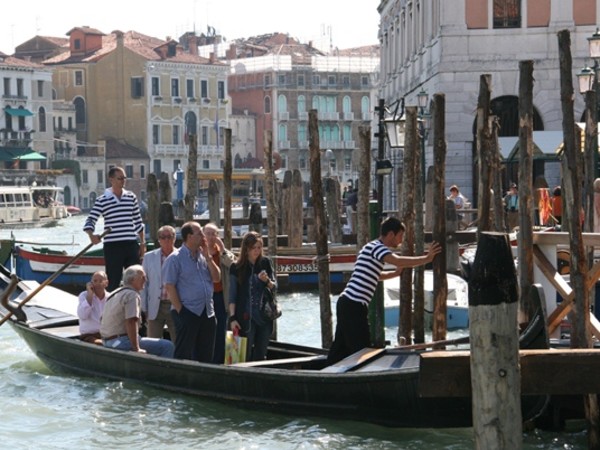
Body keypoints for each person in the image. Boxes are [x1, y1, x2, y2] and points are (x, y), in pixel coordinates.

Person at [327, 217, 442, 365]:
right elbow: (398, 261)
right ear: (390, 234)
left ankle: (326, 374)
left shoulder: (369, 247)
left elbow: (374, 275)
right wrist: (427, 258)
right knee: (362, 350)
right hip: (354, 305)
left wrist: (394, 274)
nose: (400, 241)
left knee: (340, 347)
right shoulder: (378, 248)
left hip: (347, 302)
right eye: (400, 236)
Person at [163, 221, 221, 362]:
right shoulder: (175, 258)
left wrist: (208, 258)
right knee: (184, 353)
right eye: (200, 233)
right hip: (188, 311)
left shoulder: (203, 257)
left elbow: (217, 278)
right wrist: (181, 311)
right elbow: (170, 286)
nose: (203, 236)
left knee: (206, 355)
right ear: (189, 237)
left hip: (207, 312)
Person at [83, 166, 146, 291]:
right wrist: (91, 236)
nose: (123, 181)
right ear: (111, 180)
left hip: (130, 244)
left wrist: (142, 243)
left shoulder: (131, 197)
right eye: (120, 178)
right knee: (113, 282)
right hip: (113, 246)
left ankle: (135, 307)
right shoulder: (102, 200)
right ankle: (113, 308)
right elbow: (90, 220)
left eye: (124, 178)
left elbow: (138, 221)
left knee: (136, 280)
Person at [100, 265, 174, 358]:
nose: (145, 280)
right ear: (132, 280)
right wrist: (136, 348)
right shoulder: (132, 295)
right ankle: (164, 372)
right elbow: (131, 322)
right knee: (167, 346)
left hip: (108, 341)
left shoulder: (114, 294)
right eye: (142, 277)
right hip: (122, 341)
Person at [228, 231, 277, 361]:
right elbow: (232, 295)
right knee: (243, 353)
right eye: (253, 248)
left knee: (261, 351)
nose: (257, 251)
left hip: (264, 316)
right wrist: (232, 318)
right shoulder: (236, 267)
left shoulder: (266, 262)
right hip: (245, 317)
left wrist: (266, 281)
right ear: (246, 249)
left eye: (259, 247)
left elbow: (274, 287)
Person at [203, 222, 236, 364]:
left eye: (214, 234)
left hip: (220, 296)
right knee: (205, 329)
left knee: (221, 328)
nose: (211, 237)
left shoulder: (223, 253)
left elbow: (233, 265)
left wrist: (222, 249)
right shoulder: (198, 252)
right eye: (208, 234)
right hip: (204, 296)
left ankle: (218, 360)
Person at [141, 225, 177, 341]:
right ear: (159, 240)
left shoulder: (181, 256)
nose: (166, 240)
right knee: (152, 341)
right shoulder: (148, 257)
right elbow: (144, 284)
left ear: (174, 238)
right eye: (163, 237)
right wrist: (143, 307)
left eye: (169, 237)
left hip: (175, 305)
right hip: (155, 305)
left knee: (178, 341)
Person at [77, 271, 109, 344]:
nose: (97, 284)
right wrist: (90, 295)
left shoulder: (110, 297)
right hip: (89, 335)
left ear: (106, 283)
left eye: (100, 281)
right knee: (100, 343)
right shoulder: (84, 295)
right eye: (95, 281)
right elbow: (82, 315)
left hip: (107, 335)